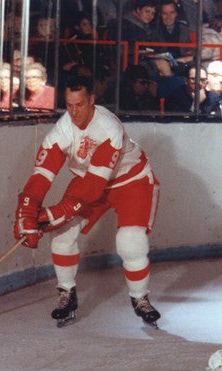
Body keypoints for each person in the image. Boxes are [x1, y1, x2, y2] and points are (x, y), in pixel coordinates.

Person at [14, 74, 161, 328]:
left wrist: (50, 214)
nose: (74, 112)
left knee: (130, 240)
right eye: (69, 105)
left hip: (130, 182)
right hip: (90, 180)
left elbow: (93, 189)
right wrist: (27, 208)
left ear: (92, 100)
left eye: (79, 105)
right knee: (62, 235)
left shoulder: (108, 127)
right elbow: (42, 175)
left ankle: (140, 298)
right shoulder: (63, 129)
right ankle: (66, 294)